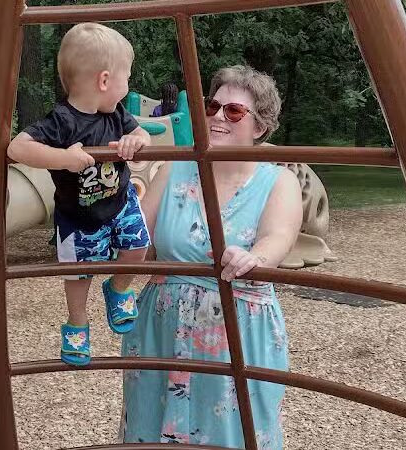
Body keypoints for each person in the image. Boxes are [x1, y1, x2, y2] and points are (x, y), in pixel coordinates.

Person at [121, 65, 302, 448]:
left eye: (233, 111)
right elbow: (140, 240)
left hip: (237, 331)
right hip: (162, 329)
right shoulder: (175, 169)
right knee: (151, 427)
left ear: (260, 126)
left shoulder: (278, 181)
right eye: (212, 106)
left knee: (234, 433)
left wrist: (255, 257)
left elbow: (279, 236)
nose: (218, 116)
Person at [8, 23, 152, 367]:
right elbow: (18, 147)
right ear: (105, 80)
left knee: (139, 245)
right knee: (78, 273)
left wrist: (137, 140)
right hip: (79, 217)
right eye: (126, 78)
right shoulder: (61, 121)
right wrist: (65, 159)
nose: (128, 86)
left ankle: (118, 288)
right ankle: (77, 321)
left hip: (119, 201)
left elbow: (144, 133)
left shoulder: (117, 114)